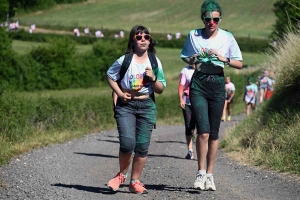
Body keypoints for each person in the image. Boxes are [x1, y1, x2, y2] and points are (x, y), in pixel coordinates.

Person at [180, 0, 243, 191]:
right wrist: (194, 59)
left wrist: (223, 58)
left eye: (215, 19)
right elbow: (185, 56)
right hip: (198, 82)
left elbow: (239, 63)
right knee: (203, 131)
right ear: (203, 18)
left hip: (217, 83)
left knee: (214, 134)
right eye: (208, 19)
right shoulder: (194, 35)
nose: (212, 22)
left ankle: (210, 174)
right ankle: (200, 172)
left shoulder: (227, 37)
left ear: (220, 19)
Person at [106, 25, 166, 194]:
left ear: (150, 40)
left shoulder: (154, 61)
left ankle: (135, 182)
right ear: (132, 41)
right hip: (126, 105)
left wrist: (153, 78)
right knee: (127, 143)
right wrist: (119, 93)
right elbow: (110, 76)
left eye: (146, 37)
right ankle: (121, 175)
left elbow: (160, 89)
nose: (143, 40)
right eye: (138, 37)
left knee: (142, 146)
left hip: (147, 105)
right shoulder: (124, 60)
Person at [178, 57, 196, 160]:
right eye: (191, 60)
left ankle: (202, 150)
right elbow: (181, 86)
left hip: (200, 102)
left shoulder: (202, 70)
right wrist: (181, 99)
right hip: (188, 101)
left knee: (201, 127)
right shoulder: (185, 71)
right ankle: (190, 151)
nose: (192, 62)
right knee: (189, 126)